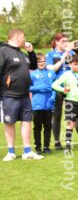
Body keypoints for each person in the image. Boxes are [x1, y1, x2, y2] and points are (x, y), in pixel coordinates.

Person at [0, 28, 43, 161]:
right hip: (9, 95)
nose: (25, 40)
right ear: (17, 37)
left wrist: (31, 52)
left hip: (25, 95)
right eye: (23, 37)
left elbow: (34, 66)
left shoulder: (23, 54)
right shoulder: (3, 51)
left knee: (26, 122)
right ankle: (11, 152)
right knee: (9, 122)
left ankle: (27, 151)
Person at [46, 33, 76, 150]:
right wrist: (64, 56)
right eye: (63, 41)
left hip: (71, 88)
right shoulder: (50, 55)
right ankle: (57, 141)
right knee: (57, 114)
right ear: (57, 42)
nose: (65, 43)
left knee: (75, 114)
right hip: (58, 87)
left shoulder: (72, 53)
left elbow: (76, 68)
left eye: (67, 41)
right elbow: (52, 69)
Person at [30, 53, 56, 155]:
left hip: (49, 104)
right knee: (37, 127)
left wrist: (53, 98)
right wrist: (39, 88)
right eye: (39, 61)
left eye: (43, 61)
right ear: (36, 62)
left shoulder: (51, 73)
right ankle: (38, 147)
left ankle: (46, 146)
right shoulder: (32, 74)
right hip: (37, 105)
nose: (41, 63)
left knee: (48, 126)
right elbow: (28, 87)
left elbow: (55, 86)